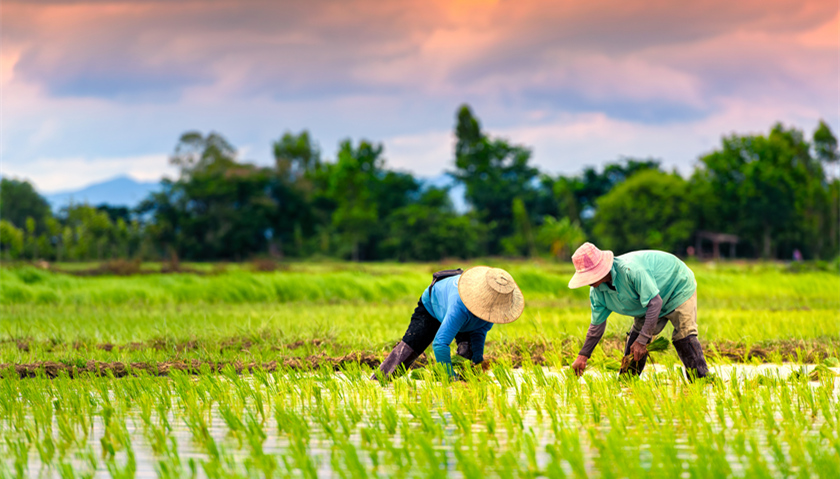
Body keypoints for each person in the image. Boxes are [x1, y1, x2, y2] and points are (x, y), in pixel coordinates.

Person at [567, 242, 709, 380]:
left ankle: (702, 382)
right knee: (635, 342)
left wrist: (643, 341)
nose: (588, 281)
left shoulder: (631, 271)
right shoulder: (597, 293)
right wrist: (583, 356)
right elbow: (596, 327)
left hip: (676, 285)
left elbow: (655, 302)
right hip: (649, 302)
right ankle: (627, 384)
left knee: (684, 335)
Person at [373, 266, 524, 380]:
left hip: (464, 316)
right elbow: (439, 344)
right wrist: (450, 377)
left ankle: (465, 390)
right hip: (433, 305)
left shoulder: (490, 314)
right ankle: (378, 381)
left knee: (468, 355)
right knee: (408, 350)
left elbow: (479, 333)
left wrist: (478, 360)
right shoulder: (459, 308)